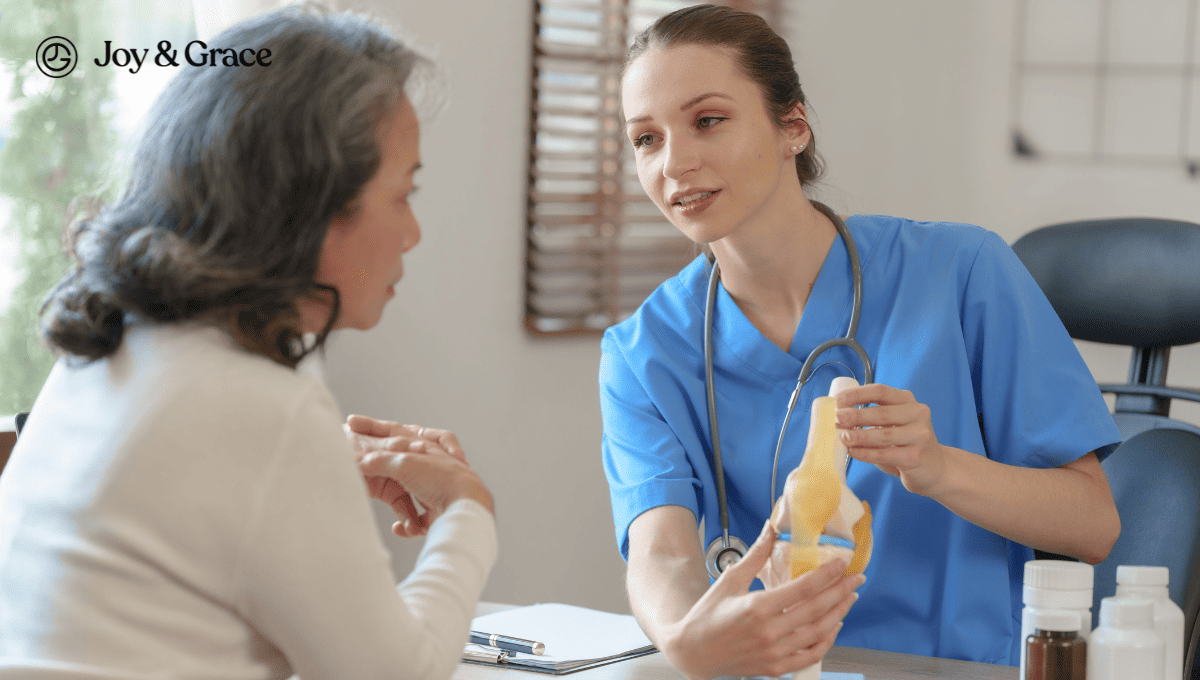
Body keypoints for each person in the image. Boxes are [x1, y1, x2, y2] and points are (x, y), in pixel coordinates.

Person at [599, 4, 1122, 677]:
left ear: (793, 125)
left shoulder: (960, 273)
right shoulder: (645, 349)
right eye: (646, 139)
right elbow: (662, 549)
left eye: (707, 121)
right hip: (790, 669)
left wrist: (940, 467)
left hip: (963, 667)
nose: (675, 163)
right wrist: (684, 636)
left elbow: (1094, 523)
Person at [0, 7, 494, 679]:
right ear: (311, 203)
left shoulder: (108, 348)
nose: (412, 234)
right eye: (402, 194)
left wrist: (316, 468)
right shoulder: (261, 403)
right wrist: (466, 516)